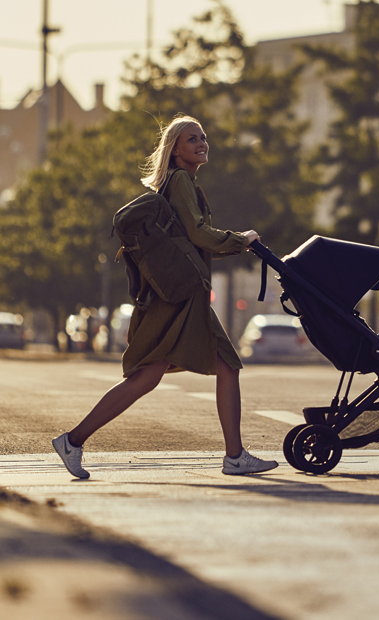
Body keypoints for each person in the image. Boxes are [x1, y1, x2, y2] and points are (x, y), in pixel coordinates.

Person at [52, 114, 278, 479]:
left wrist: (235, 247)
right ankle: (234, 456)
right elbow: (198, 232)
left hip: (171, 296)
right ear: (174, 150)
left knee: (148, 376)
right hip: (182, 299)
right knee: (224, 366)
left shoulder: (178, 183)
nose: (202, 143)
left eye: (203, 136)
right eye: (192, 139)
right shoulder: (181, 182)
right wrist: (240, 239)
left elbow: (187, 241)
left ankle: (73, 441)